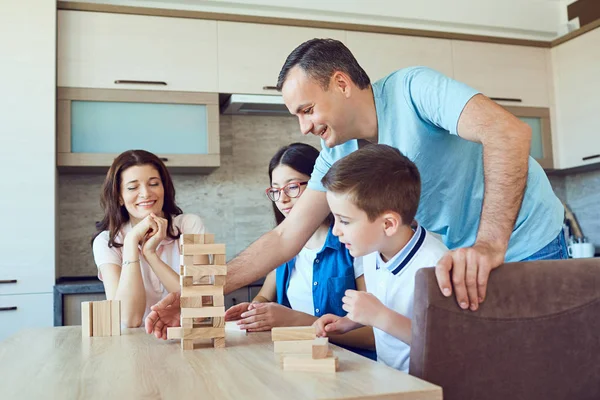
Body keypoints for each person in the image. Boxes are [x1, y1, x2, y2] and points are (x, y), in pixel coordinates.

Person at [223, 38, 566, 312]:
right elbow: (285, 238)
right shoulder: (335, 154)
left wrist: (489, 244)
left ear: (341, 83)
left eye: (308, 110)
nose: (304, 127)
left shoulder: (413, 89)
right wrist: (205, 289)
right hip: (462, 262)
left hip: (526, 245)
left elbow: (507, 133)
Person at [145, 143, 375, 358]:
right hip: (301, 361)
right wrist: (255, 310)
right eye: (276, 191)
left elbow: (374, 336)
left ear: (319, 185)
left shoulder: (354, 246)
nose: (282, 199)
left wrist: (293, 320)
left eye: (293, 187)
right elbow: (266, 295)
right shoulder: (285, 251)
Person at [313, 144, 448, 372]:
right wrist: (350, 321)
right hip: (387, 380)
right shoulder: (372, 250)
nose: (335, 231)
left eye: (344, 221)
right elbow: (386, 305)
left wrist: (379, 316)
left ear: (388, 224)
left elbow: (444, 346)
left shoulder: (437, 267)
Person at [92, 149, 206, 328]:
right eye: (132, 187)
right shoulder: (106, 242)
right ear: (120, 197)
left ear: (164, 189)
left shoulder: (188, 226)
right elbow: (128, 319)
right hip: (135, 345)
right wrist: (131, 243)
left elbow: (199, 305)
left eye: (153, 183)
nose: (145, 193)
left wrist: (150, 254)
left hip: (185, 336)